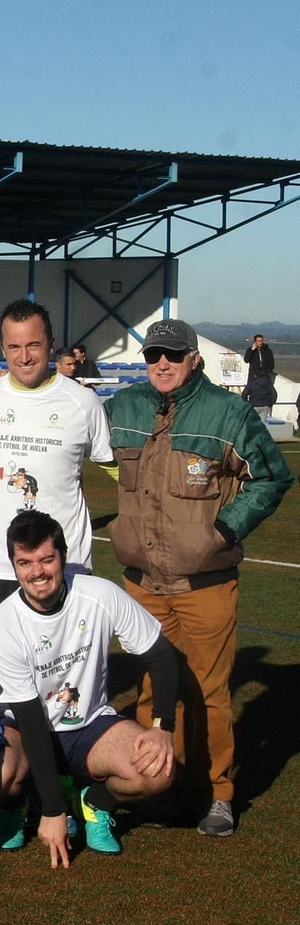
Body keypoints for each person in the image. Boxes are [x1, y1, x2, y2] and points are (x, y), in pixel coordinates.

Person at [105, 318, 293, 836]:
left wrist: (225, 529)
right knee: (150, 691)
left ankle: (218, 793)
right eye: (152, 355)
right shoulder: (122, 408)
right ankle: (158, 786)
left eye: (172, 354)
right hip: (142, 583)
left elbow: (273, 476)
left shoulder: (228, 413)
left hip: (205, 583)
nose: (161, 364)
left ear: (195, 358)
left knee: (209, 693)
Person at [0, 511, 182, 863]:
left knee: (158, 772)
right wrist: (52, 810)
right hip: (27, 730)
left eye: (47, 559)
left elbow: (161, 654)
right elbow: (30, 719)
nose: (37, 573)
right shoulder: (4, 625)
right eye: (25, 562)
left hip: (90, 726)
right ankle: (19, 805)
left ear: (63, 555)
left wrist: (162, 727)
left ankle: (95, 802)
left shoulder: (99, 594)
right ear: (13, 565)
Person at [0, 299, 113, 653]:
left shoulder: (83, 403)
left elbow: (114, 465)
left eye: (33, 345)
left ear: (51, 344)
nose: (24, 356)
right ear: (2, 348)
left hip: (61, 565)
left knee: (58, 676)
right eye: (14, 346)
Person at [244, 334, 277, 418]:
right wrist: (252, 350)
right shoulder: (251, 350)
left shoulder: (267, 350)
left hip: (265, 376)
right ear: (255, 342)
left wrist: (267, 372)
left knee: (265, 393)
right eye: (258, 341)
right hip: (253, 377)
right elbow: (246, 360)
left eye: (261, 341)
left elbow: (271, 363)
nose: (260, 343)